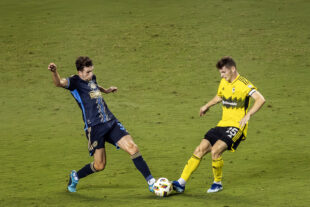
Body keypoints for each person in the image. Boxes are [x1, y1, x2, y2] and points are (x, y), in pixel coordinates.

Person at [47, 56, 155, 193]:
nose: (91, 74)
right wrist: (54, 72)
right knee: (99, 165)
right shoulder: (74, 82)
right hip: (95, 128)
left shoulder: (91, 78)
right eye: (87, 72)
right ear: (80, 72)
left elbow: (94, 87)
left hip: (110, 121)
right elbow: (59, 83)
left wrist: (106, 90)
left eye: (91, 71)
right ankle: (76, 176)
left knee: (133, 148)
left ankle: (151, 182)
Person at [172, 56, 265, 193]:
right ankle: (181, 182)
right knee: (200, 149)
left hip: (236, 126)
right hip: (222, 124)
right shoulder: (223, 82)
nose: (222, 75)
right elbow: (219, 96)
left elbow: (260, 99)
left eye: (223, 72)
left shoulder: (244, 84)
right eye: (220, 73)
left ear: (232, 69)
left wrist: (248, 115)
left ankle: (217, 183)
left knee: (215, 150)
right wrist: (206, 106)